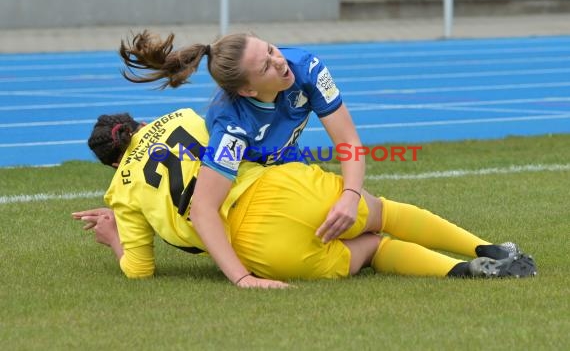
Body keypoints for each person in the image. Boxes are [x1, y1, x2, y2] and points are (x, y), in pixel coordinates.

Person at [74, 108, 536, 288]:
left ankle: (466, 271)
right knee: (385, 212)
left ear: (113, 163)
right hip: (279, 189)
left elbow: (140, 270)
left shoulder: (120, 191)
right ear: (133, 125)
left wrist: (114, 236)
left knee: (372, 247)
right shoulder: (183, 116)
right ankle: (486, 248)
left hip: (251, 246)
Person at [118, 31, 364, 259]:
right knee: (322, 247)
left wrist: (350, 197)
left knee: (353, 220)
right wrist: (242, 278)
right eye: (266, 66)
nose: (279, 61)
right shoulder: (231, 125)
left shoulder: (306, 67)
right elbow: (204, 209)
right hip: (250, 191)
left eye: (270, 49)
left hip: (290, 163)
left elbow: (348, 141)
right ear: (248, 90)